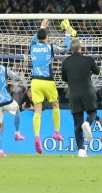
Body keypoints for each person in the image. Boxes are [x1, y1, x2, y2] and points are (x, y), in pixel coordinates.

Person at [29, 18, 71, 154]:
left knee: (37, 110)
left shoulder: (32, 46)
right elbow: (67, 48)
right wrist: (68, 34)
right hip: (48, 80)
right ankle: (57, 132)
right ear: (47, 37)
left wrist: (42, 26)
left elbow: (34, 38)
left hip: (35, 81)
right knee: (55, 105)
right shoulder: (51, 48)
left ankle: (36, 136)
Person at [61, 37, 100, 158]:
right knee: (92, 112)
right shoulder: (88, 60)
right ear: (80, 47)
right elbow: (97, 71)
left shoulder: (66, 62)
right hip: (87, 91)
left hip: (74, 94)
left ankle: (81, 150)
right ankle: (88, 123)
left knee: (77, 123)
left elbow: (64, 78)